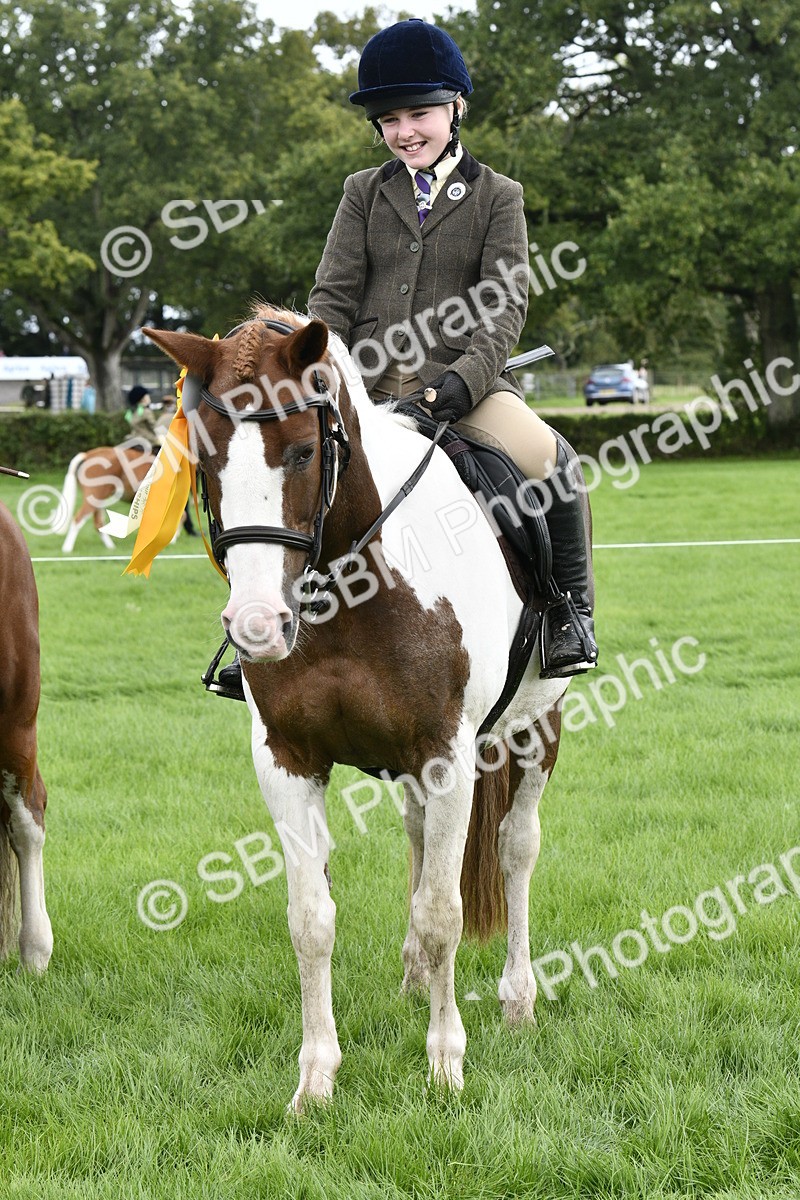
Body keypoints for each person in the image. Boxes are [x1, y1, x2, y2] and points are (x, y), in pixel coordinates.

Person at [217, 19, 597, 703]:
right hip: (363, 393)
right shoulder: (363, 191)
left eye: (418, 114)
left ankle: (568, 614)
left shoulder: (497, 197)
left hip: (469, 390)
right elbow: (329, 298)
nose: (404, 131)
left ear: (456, 107)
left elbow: (505, 308)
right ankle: (251, 640)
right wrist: (324, 371)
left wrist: (459, 384)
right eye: (389, 120)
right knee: (279, 481)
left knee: (554, 462)